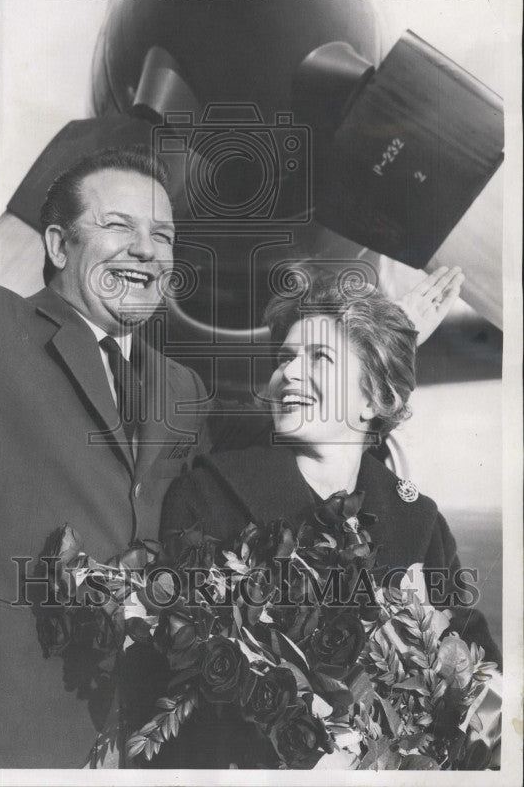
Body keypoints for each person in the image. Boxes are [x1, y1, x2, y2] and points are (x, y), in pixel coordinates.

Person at [0, 0, 462, 768]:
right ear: (55, 245)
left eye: (164, 235)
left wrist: (384, 347)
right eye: (119, 228)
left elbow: (294, 441)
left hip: (105, 745)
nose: (146, 251)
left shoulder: (177, 390)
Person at [155, 271, 501, 766]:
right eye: (285, 358)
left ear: (374, 402)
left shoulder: (420, 522)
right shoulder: (207, 498)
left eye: (319, 358)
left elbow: (480, 674)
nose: (289, 373)